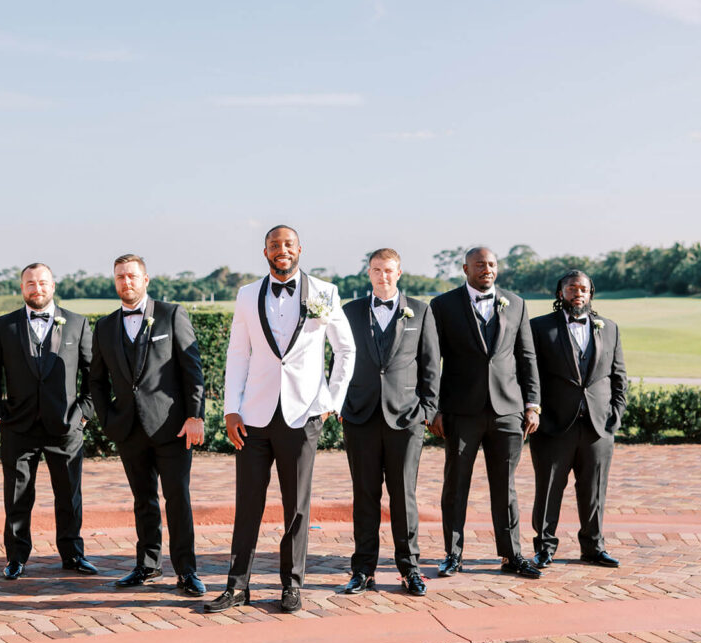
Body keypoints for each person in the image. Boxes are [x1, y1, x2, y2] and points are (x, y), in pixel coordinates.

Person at [204, 225, 355, 614]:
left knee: (297, 507)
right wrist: (231, 409)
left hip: (303, 415)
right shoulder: (247, 294)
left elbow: (346, 349)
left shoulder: (325, 292)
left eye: (288, 244)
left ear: (300, 249)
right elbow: (238, 353)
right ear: (265, 252)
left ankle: (292, 585)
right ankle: (237, 586)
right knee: (247, 504)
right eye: (274, 245)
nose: (281, 250)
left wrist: (331, 399)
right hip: (253, 416)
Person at [91, 254, 207, 596]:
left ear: (145, 280)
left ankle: (186, 571)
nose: (125, 282)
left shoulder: (171, 314)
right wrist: (107, 419)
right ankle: (148, 565)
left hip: (173, 427)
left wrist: (195, 416)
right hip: (128, 429)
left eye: (131, 276)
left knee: (177, 499)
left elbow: (192, 369)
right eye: (120, 277)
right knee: (143, 500)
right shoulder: (104, 326)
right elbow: (96, 379)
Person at [428, 247, 543, 579]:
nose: (487, 269)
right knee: (455, 485)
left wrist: (532, 404)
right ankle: (453, 554)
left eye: (492, 264)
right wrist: (435, 408)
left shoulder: (516, 303)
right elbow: (432, 360)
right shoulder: (443, 305)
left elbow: (527, 357)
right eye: (479, 265)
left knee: (506, 486)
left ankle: (512, 555)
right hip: (460, 411)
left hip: (508, 411)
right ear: (466, 269)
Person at [0, 262, 97, 580]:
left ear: (53, 286)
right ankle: (16, 557)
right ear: (22, 288)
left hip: (66, 426)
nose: (37, 288)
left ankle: (73, 554)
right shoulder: (4, 326)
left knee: (69, 495)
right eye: (30, 283)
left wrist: (84, 415)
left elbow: (94, 375)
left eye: (42, 282)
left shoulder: (77, 323)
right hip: (18, 426)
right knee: (17, 496)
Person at [339, 248, 440, 597]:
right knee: (364, 495)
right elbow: (338, 361)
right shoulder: (350, 311)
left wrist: (427, 411)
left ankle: (410, 568)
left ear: (399, 273)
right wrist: (340, 404)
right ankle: (362, 570)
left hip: (406, 418)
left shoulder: (421, 311)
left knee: (403, 495)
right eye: (377, 270)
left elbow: (430, 364)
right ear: (369, 273)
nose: (383, 276)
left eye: (389, 270)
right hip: (360, 416)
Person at [529, 270, 627, 569]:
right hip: (554, 426)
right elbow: (529, 374)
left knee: (594, 490)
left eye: (583, 288)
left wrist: (615, 415)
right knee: (548, 490)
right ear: (560, 293)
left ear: (591, 293)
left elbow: (619, 376)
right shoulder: (539, 327)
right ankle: (544, 547)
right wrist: (535, 412)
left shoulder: (609, 328)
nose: (577, 293)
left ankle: (594, 547)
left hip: (598, 427)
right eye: (571, 288)